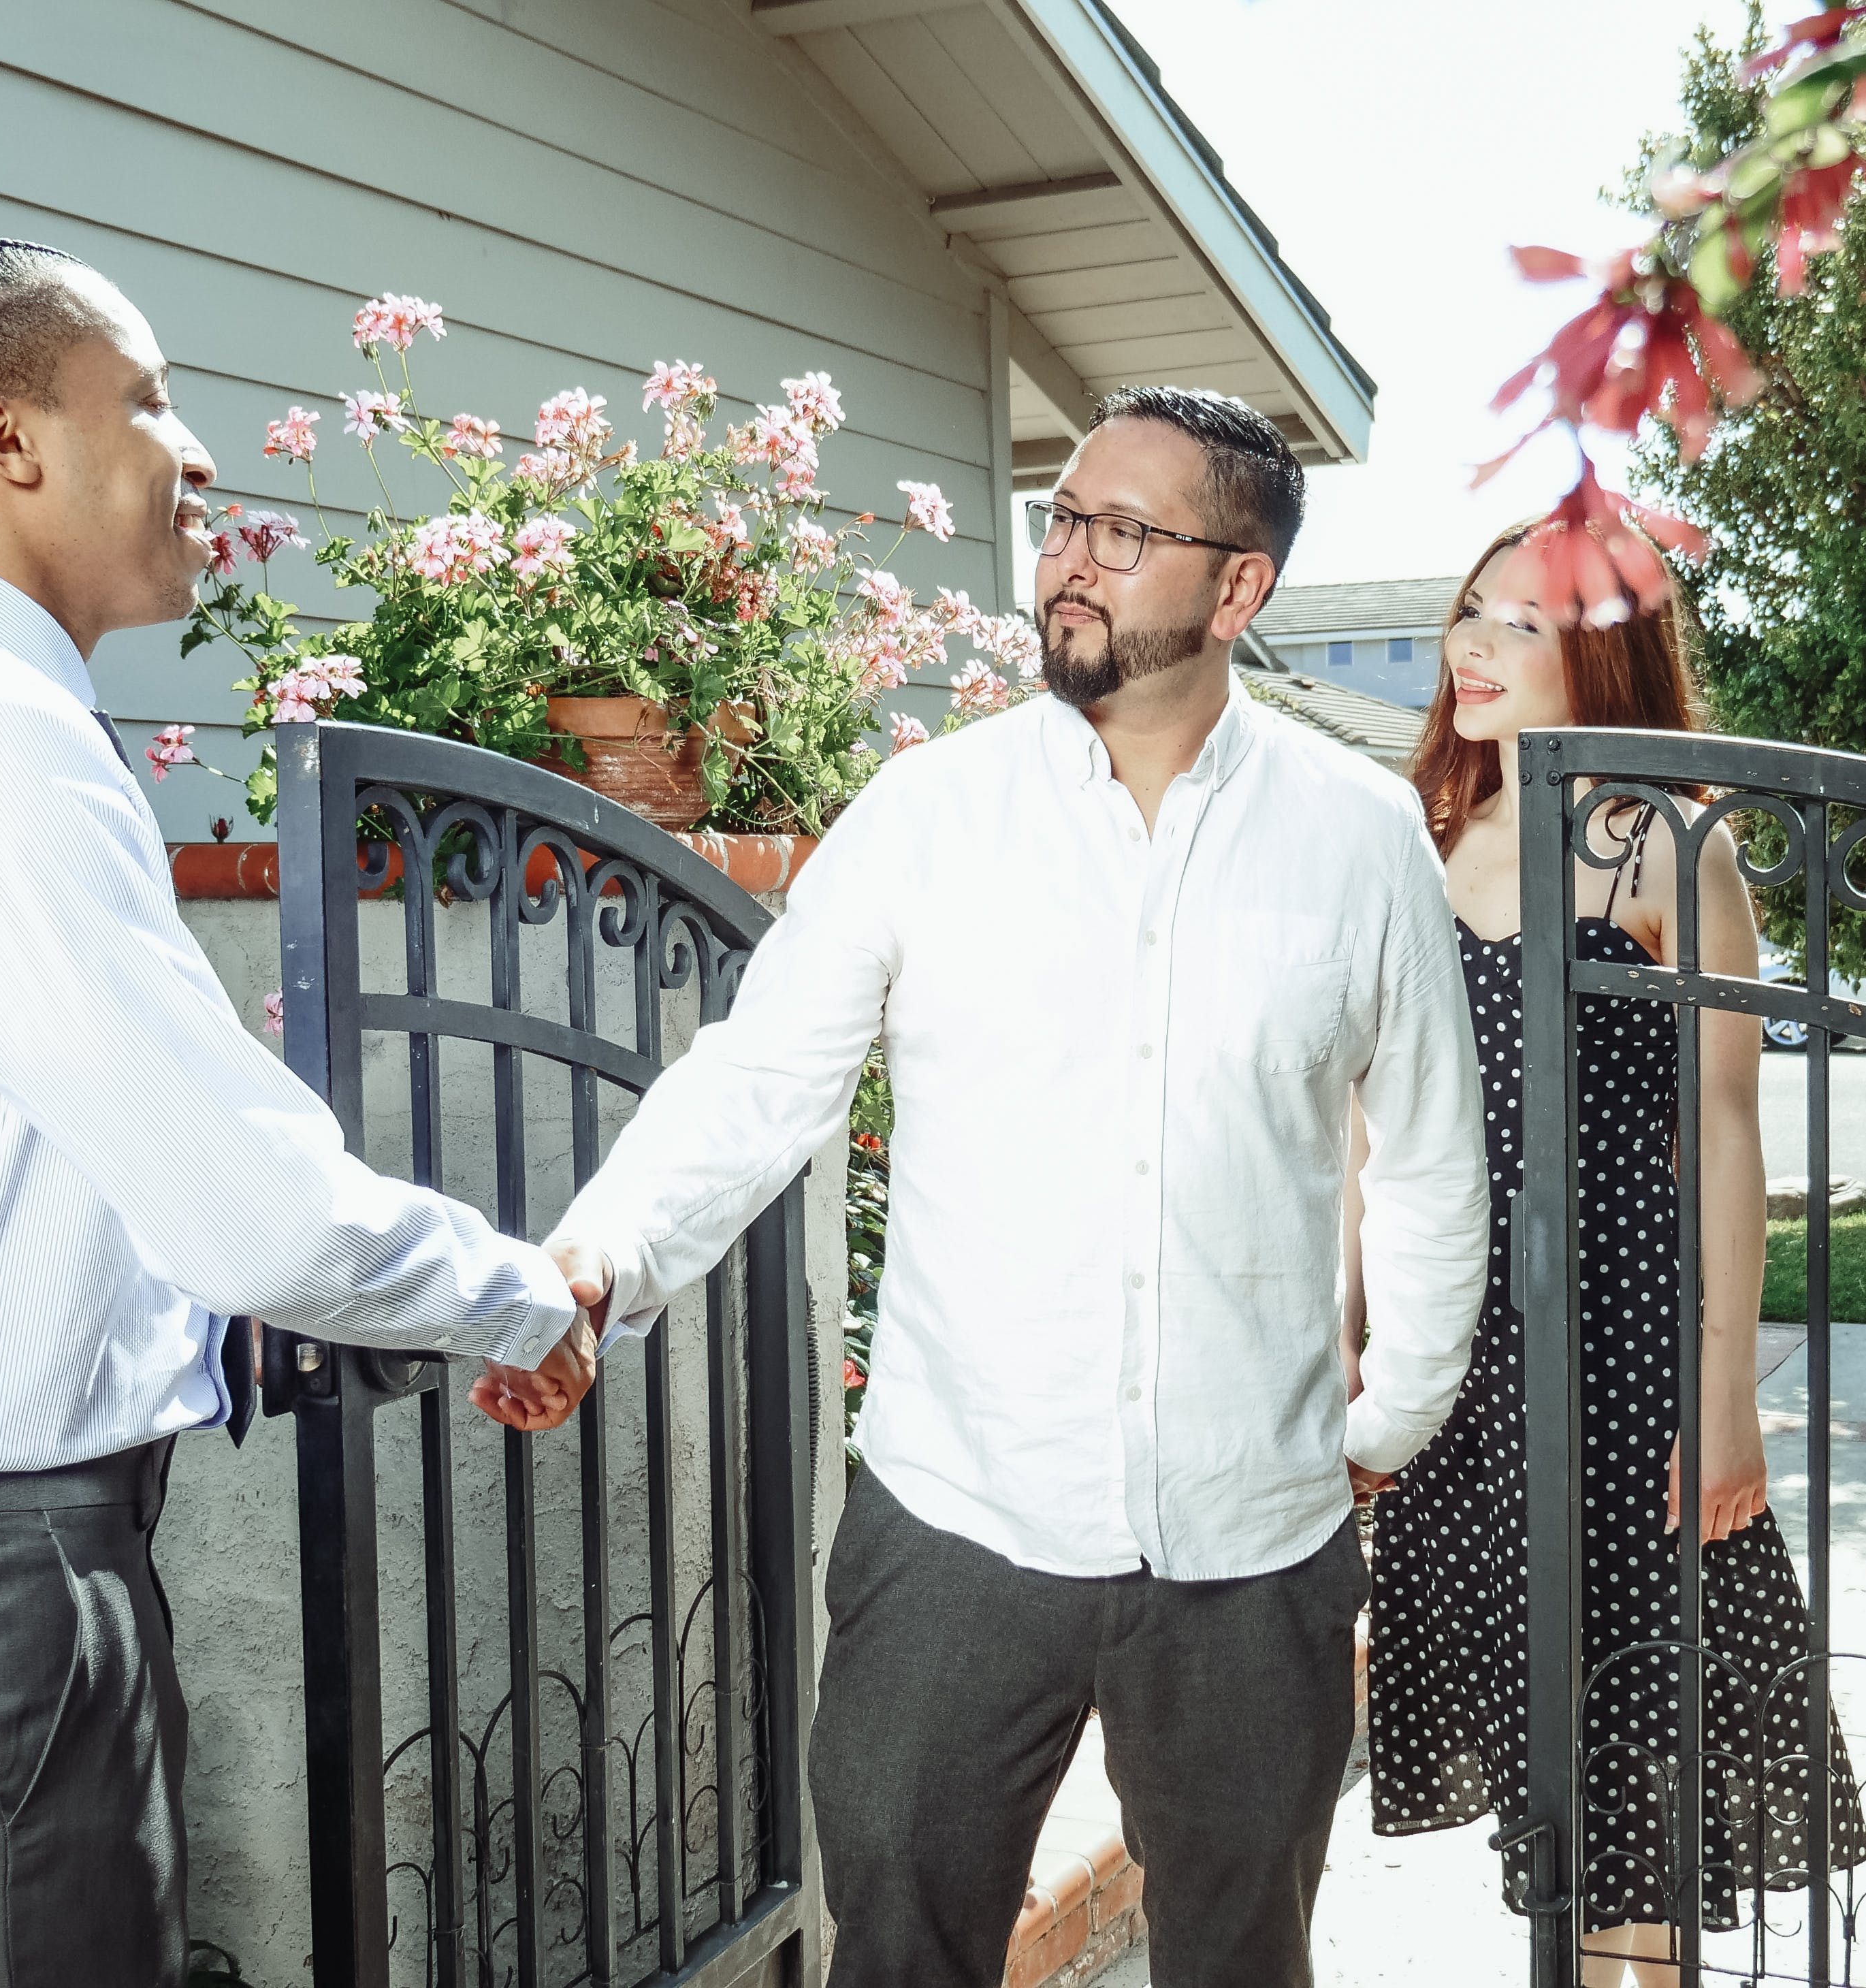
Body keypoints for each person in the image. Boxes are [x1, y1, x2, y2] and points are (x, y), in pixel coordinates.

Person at [0, 239, 597, 1988]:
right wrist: (520, 1296)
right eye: (152, 400)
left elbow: (29, 1167)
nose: (201, 451)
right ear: (8, 439)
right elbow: (244, 1205)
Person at [533, 386, 1490, 1988]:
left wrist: (1390, 1418)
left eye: (1126, 532)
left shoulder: (1362, 833)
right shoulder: (929, 815)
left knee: (1247, 1954)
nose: (1070, 561)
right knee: (899, 1943)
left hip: (1254, 1545)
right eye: (1063, 520)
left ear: (1238, 588)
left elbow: (1434, 1159)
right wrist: (602, 1251)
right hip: (957, 1523)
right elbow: (763, 1078)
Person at [1357, 518, 1866, 1985]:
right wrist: (1350, 1337)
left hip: (1626, 1333)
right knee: (1542, 1736)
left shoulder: (1661, 845)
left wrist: (1728, 1396)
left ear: (1602, 656)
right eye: (1477, 610)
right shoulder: (1421, 835)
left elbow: (1724, 1131)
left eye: (1527, 623)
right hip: (1461, 1336)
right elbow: (1357, 1126)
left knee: (1638, 1742)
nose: (1478, 644)